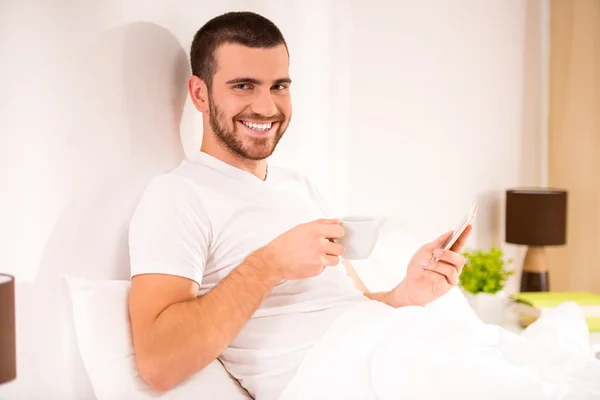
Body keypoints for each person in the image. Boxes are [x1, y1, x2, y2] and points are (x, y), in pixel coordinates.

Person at [128, 11, 600, 400]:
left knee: (553, 371)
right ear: (199, 94)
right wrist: (269, 264)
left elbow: (350, 303)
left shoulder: (299, 186)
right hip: (337, 373)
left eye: (279, 86)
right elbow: (159, 363)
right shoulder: (178, 196)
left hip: (387, 340)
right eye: (244, 86)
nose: (267, 107)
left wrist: (406, 294)